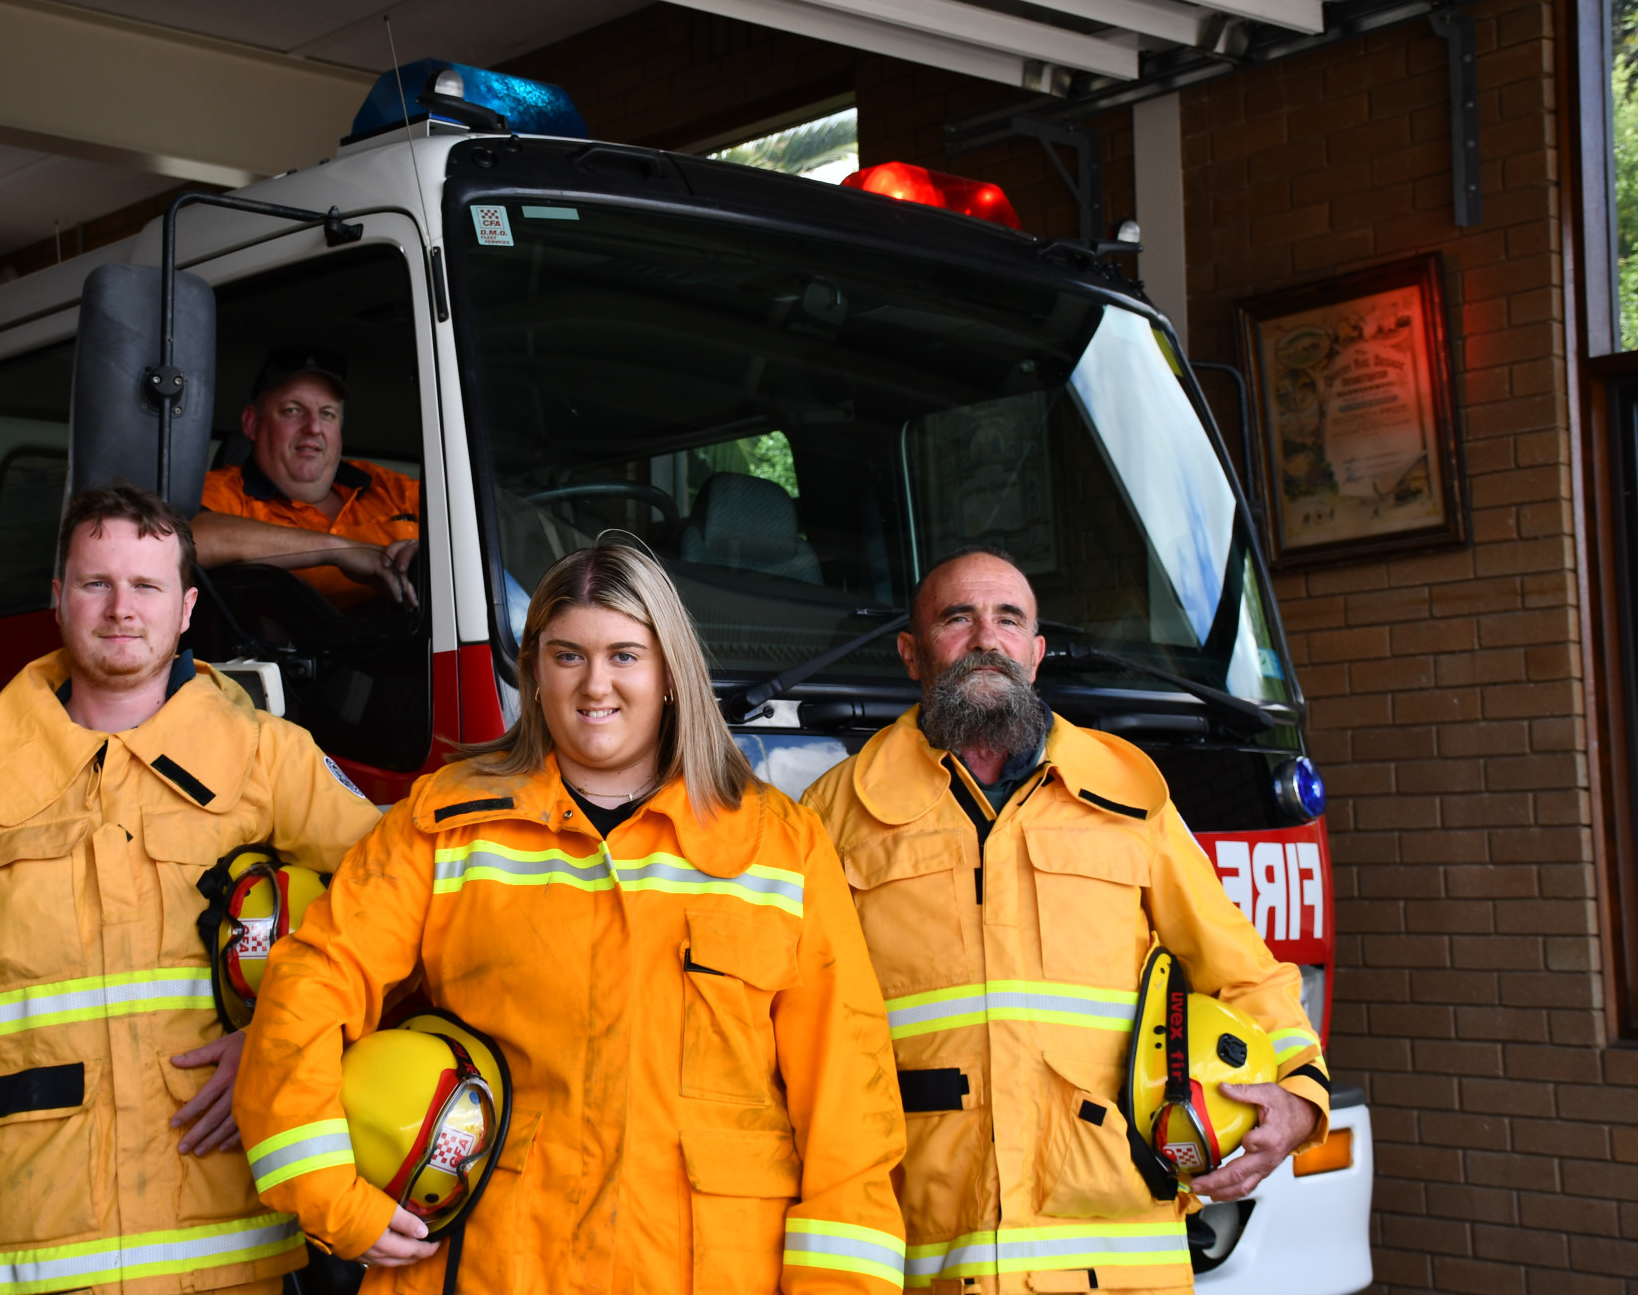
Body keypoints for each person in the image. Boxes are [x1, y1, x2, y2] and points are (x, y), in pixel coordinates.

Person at [230, 540, 909, 1295]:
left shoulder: (779, 845)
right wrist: (331, 1197)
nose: (596, 685)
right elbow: (310, 980)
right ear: (535, 672)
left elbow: (850, 1100)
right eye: (568, 656)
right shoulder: (450, 821)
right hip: (490, 1270)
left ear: (671, 674)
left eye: (625, 655)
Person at [0, 482, 386, 1295]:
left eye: (146, 586)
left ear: (185, 609)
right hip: (23, 1244)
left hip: (219, 1251)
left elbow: (395, 902)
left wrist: (282, 1034)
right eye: (96, 583)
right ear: (58, 598)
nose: (120, 608)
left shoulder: (267, 757)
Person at [800, 546, 1331, 1293]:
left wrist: (1301, 1098)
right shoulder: (833, 814)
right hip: (927, 1257)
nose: (987, 637)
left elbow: (1243, 969)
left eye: (1008, 618)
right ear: (911, 653)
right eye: (959, 617)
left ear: (1036, 653)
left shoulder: (1130, 797)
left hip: (1115, 1265)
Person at [194, 346, 422, 610]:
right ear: (252, 423)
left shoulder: (390, 487)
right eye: (293, 410)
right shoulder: (224, 492)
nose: (313, 427)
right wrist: (338, 551)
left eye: (327, 414)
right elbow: (178, 541)